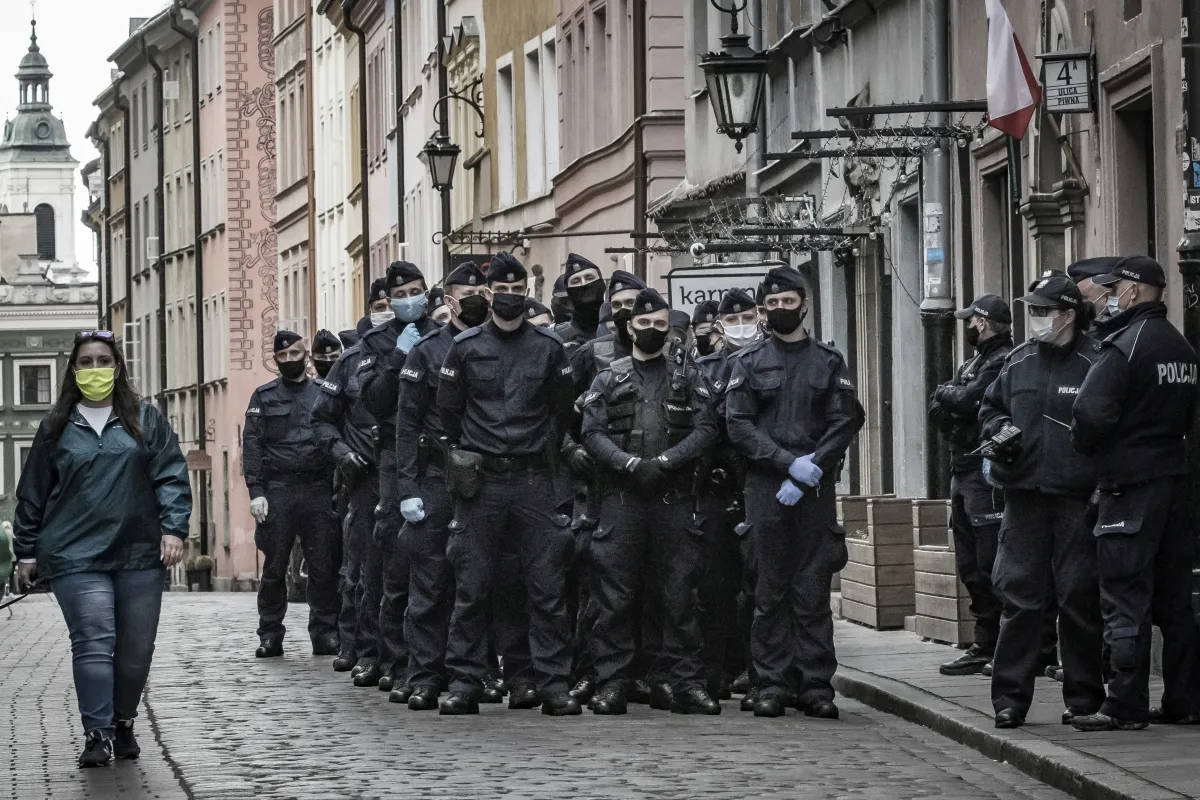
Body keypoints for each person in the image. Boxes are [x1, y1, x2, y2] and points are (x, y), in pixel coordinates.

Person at [14, 330, 191, 767]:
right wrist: (26, 551)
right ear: (74, 371)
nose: (95, 369)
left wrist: (174, 529)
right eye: (86, 362)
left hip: (138, 552)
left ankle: (122, 720)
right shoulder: (57, 426)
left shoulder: (145, 419)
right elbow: (33, 491)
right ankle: (98, 733)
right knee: (93, 641)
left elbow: (171, 475)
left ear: (117, 367)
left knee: (135, 652)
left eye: (103, 361)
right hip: (74, 553)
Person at [436, 251, 580, 716]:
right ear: (488, 293)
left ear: (527, 292)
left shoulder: (549, 347)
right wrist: (465, 455)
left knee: (546, 588)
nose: (511, 297)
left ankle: (551, 684)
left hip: (534, 479)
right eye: (503, 290)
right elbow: (447, 413)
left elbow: (563, 412)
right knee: (472, 586)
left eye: (518, 291)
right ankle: (465, 682)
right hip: (482, 484)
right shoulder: (465, 347)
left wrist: (539, 451)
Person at [725, 266, 863, 719]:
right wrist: (786, 464)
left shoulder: (828, 361)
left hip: (814, 488)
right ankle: (772, 684)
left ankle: (815, 685)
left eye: (788, 301)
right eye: (773, 304)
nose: (781, 309)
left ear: (805, 304)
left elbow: (844, 420)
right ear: (764, 310)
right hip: (766, 488)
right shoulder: (749, 362)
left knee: (812, 590)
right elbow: (738, 425)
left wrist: (808, 471)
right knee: (769, 590)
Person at [1071, 255, 1200, 731]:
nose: (1109, 298)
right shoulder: (1181, 348)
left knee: (1124, 596)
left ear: (1132, 290)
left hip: (1128, 488)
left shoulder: (1124, 346)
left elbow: (1089, 415)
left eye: (1114, 289)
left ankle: (1124, 705)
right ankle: (1185, 700)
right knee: (1176, 601)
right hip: (1175, 485)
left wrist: (1093, 450)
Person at [581, 288, 719, 715]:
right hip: (622, 498)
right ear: (629, 327)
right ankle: (612, 682)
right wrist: (626, 463)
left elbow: (707, 429)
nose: (652, 330)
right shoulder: (608, 377)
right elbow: (591, 432)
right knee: (614, 596)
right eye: (644, 324)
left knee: (679, 593)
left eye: (660, 324)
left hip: (673, 496)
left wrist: (665, 461)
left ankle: (684, 682)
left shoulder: (689, 376)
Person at [978, 275, 1104, 729]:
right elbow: (989, 408)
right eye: (1032, 310)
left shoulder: (1097, 360)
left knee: (1078, 599)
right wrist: (997, 432)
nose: (1034, 319)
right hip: (1024, 496)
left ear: (1068, 314)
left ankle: (1084, 698)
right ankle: (1009, 700)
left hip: (1076, 498)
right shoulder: (1019, 360)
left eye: (1042, 311)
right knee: (1020, 600)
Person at [396, 262, 489, 710]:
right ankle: (425, 675)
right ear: (449, 301)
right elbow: (407, 422)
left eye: (483, 293)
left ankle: (474, 673)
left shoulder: (499, 343)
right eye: (468, 295)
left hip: (488, 478)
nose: (478, 301)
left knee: (478, 583)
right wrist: (407, 488)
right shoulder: (427, 351)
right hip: (438, 476)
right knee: (430, 584)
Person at [353, 261, 440, 695]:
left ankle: (445, 661)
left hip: (440, 454)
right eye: (400, 294)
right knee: (395, 556)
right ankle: (395, 660)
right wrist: (398, 358)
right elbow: (373, 401)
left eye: (415, 290)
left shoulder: (444, 331)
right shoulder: (376, 341)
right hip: (393, 453)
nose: (409, 299)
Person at [243, 331, 341, 659]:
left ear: (305, 355)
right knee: (274, 567)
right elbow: (252, 445)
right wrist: (256, 491)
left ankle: (325, 633)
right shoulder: (264, 396)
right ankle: (270, 634)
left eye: (294, 354)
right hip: (278, 490)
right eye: (281, 357)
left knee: (323, 565)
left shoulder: (323, 392)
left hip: (317, 488)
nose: (288, 360)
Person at [928, 295, 1012, 676]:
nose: (966, 326)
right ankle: (984, 642)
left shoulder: (1001, 361)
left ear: (981, 322)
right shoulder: (973, 363)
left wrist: (951, 397)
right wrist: (951, 400)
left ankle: (1001, 644)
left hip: (984, 471)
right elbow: (940, 406)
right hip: (962, 468)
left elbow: (967, 400)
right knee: (969, 564)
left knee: (989, 561)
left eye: (970, 321)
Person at [314, 279, 390, 677]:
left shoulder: (433, 348)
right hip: (366, 477)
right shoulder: (351, 360)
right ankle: (363, 648)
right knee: (364, 570)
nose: (389, 309)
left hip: (419, 472)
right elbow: (322, 419)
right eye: (382, 304)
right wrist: (343, 455)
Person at [694, 288, 759, 704]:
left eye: (747, 318)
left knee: (760, 585)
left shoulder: (769, 360)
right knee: (714, 586)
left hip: (762, 482)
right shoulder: (706, 370)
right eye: (732, 320)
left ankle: (759, 672)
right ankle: (712, 673)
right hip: (717, 487)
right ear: (720, 326)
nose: (741, 326)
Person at [554, 253, 606, 352]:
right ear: (569, 292)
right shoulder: (556, 338)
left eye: (589, 278)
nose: (584, 284)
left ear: (602, 283)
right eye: (576, 281)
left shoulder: (618, 329)